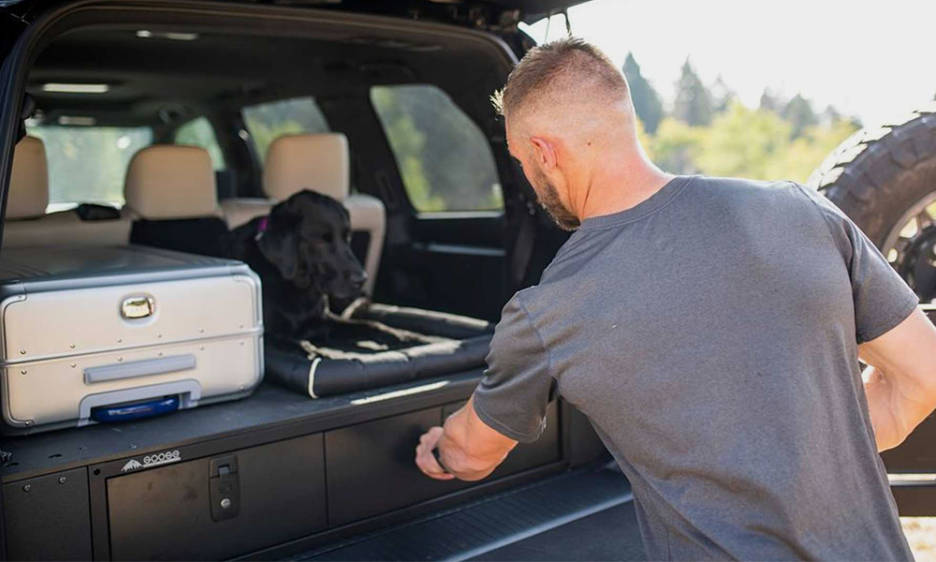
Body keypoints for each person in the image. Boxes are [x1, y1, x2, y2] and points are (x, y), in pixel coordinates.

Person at [414, 37, 936, 560]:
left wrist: (438, 448)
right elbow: (925, 375)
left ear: (545, 153)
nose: (529, 179)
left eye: (522, 161)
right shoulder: (801, 211)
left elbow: (473, 454)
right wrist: (808, 448)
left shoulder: (549, 310)